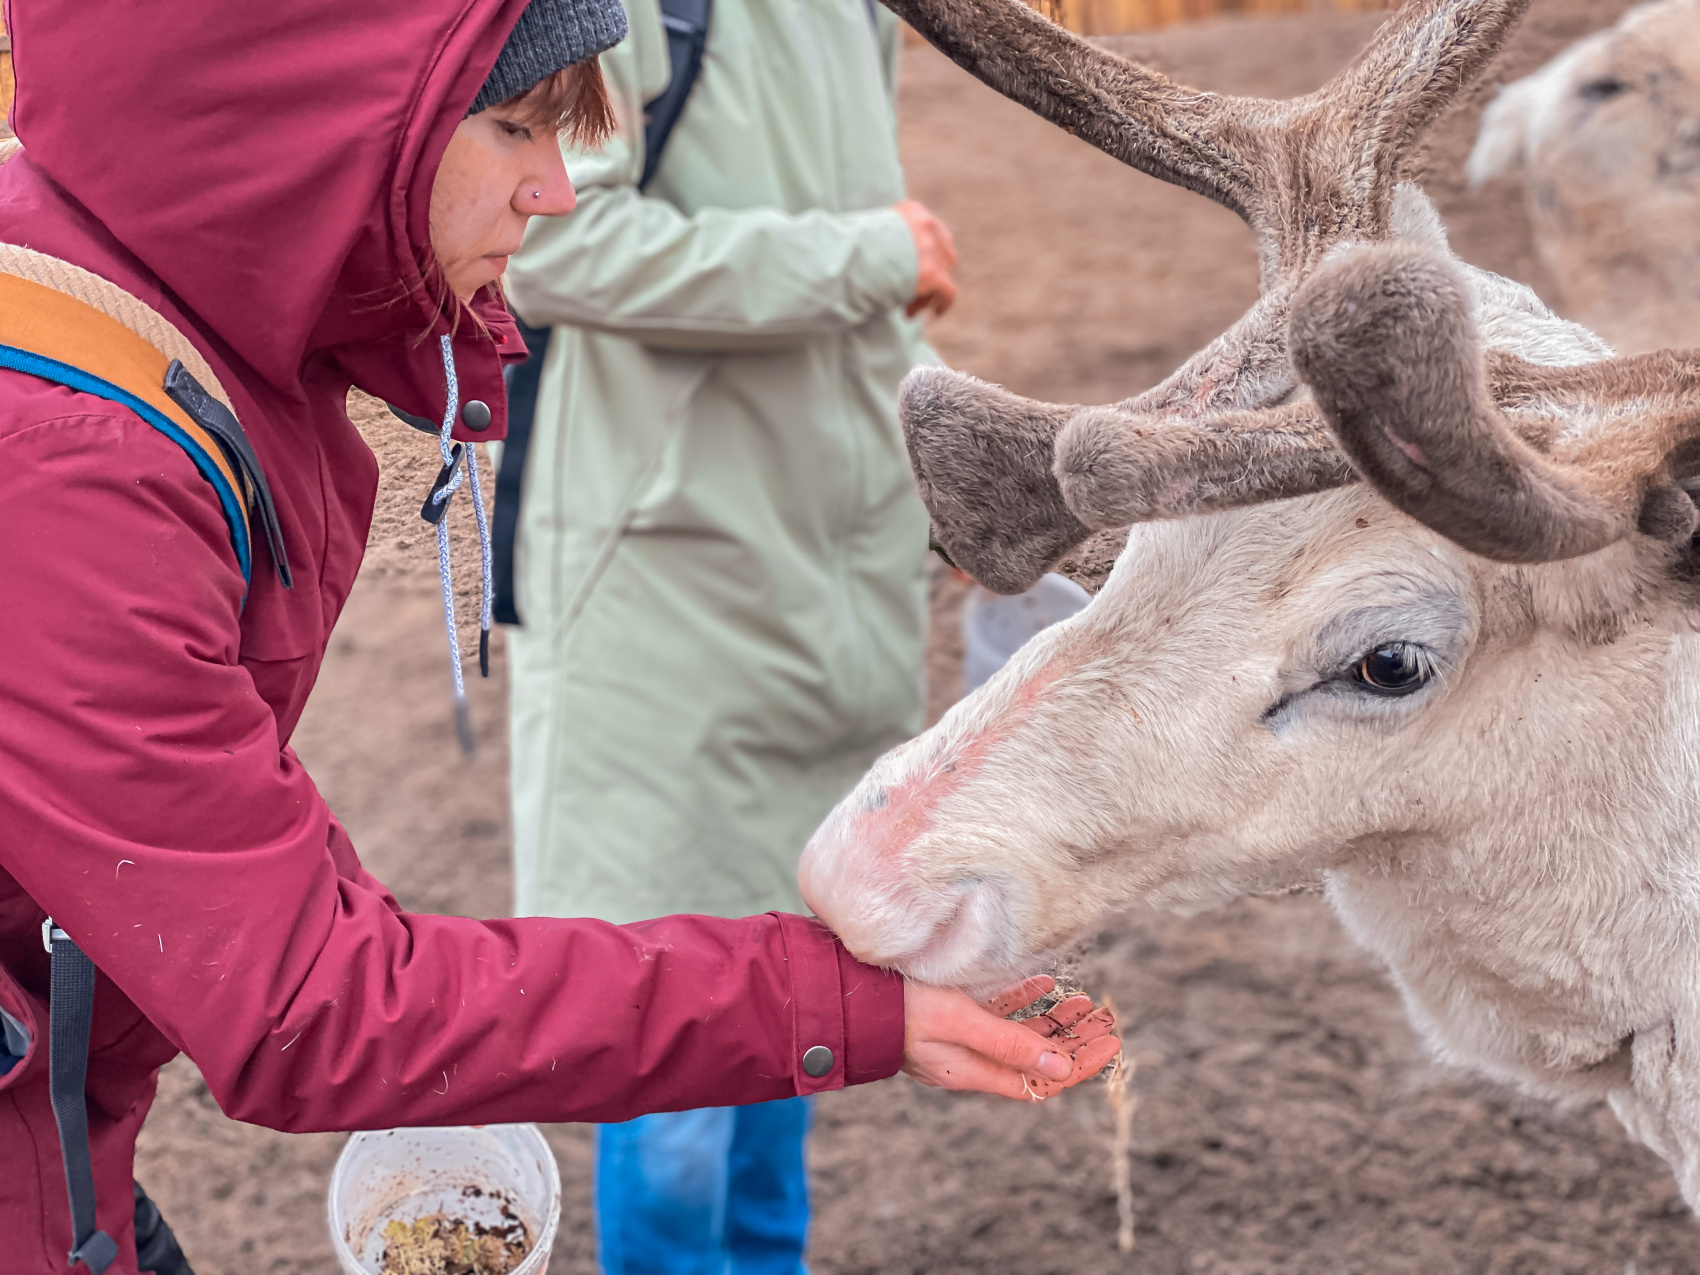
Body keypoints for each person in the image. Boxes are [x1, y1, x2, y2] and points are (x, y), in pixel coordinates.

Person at [0, 2, 1120, 1273]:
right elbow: (312, 1005)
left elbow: (240, 849)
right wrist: (843, 1010)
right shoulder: (68, 472)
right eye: (516, 125)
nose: (557, 192)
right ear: (309, 125)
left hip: (53, 1136)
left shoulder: (175, 359)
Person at [498, 3, 962, 1269]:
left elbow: (878, 274)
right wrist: (864, 257)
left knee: (791, 987)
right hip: (667, 590)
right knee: (671, 1013)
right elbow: (548, 242)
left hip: (826, 574)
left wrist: (941, 477)